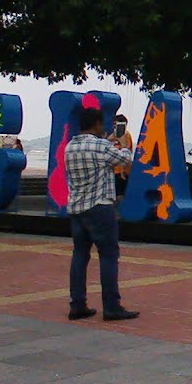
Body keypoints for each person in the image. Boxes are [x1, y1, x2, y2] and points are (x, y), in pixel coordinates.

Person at [65, 106, 138, 322]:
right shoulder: (101, 146)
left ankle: (77, 304)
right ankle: (111, 306)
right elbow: (125, 160)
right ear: (96, 124)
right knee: (108, 256)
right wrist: (122, 142)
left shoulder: (70, 147)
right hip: (99, 207)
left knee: (80, 255)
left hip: (77, 208)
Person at [112, 114, 133, 199]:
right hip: (114, 170)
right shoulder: (111, 135)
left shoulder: (126, 135)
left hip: (121, 171)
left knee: (120, 194)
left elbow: (127, 150)